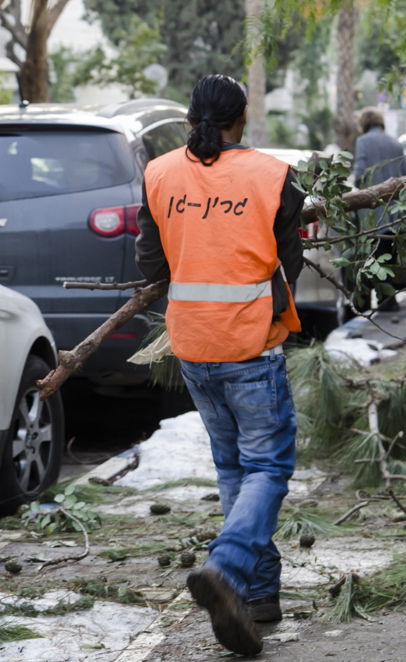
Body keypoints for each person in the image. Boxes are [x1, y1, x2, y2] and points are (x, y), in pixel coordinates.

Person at [135, 74, 305, 657]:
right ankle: (228, 570)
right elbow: (289, 264)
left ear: (190, 120)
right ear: (243, 120)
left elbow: (149, 258)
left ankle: (256, 600)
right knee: (268, 468)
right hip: (250, 348)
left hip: (193, 347)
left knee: (234, 469)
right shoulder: (274, 175)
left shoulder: (158, 173)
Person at [351, 107, 406, 312]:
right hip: (395, 213)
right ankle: (387, 300)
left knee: (370, 257)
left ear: (364, 124)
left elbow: (359, 173)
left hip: (371, 213)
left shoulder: (363, 142)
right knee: (388, 256)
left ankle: (371, 302)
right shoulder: (395, 143)